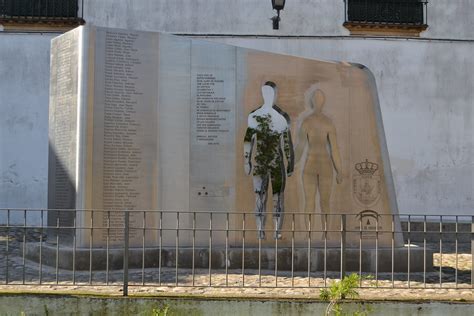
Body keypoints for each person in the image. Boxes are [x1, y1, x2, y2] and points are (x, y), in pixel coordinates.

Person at [243, 81, 294, 240]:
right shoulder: (255, 116)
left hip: (274, 161)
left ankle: (276, 230)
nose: (268, 96)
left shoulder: (280, 117)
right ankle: (261, 230)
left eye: (270, 93)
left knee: (277, 196)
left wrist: (290, 161)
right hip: (262, 161)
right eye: (266, 93)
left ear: (274, 95)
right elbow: (247, 140)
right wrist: (246, 160)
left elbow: (286, 143)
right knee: (260, 195)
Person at [294, 84, 342, 229]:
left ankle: (325, 233)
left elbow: (335, 149)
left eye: (320, 98)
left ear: (323, 101)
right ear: (313, 101)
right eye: (316, 98)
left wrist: (339, 170)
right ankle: (309, 233)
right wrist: (291, 165)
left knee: (325, 202)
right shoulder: (307, 122)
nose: (318, 100)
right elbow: (300, 147)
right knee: (309, 201)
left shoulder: (328, 123)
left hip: (326, 167)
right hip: (310, 166)